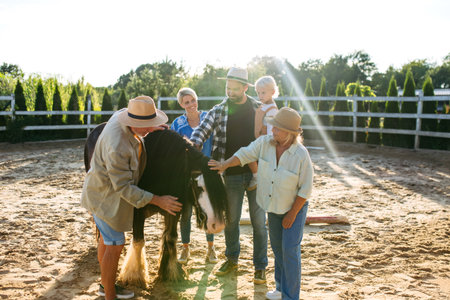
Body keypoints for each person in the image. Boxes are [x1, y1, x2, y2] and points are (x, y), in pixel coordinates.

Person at [81, 96, 182, 300]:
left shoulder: (121, 116)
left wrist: (148, 128)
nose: (147, 129)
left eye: (149, 124)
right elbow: (124, 188)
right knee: (115, 244)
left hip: (99, 191)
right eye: (144, 126)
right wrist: (158, 200)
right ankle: (109, 294)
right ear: (132, 122)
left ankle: (104, 285)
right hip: (103, 197)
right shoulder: (118, 146)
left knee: (107, 240)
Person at [209, 107, 313, 300]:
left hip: (294, 209)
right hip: (273, 208)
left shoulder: (301, 155)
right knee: (278, 249)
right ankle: (281, 289)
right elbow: (244, 153)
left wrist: (291, 215)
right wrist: (224, 165)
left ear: (290, 133)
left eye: (278, 129)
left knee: (290, 251)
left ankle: (291, 297)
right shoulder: (265, 143)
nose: (272, 131)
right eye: (273, 127)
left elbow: (305, 190)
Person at [190, 67, 268, 284]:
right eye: (227, 88)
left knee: (259, 222)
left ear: (245, 88)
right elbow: (202, 130)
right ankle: (232, 259)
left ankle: (260, 266)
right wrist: (194, 142)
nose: (230, 92)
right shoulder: (218, 110)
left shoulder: (257, 108)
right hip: (230, 172)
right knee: (231, 221)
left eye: (234, 89)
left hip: (257, 173)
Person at [170, 87, 217, 264]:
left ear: (197, 100)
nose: (191, 105)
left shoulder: (208, 118)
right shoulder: (178, 124)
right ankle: (185, 249)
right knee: (186, 213)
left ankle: (211, 248)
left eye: (193, 100)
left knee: (208, 211)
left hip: (206, 172)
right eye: (186, 102)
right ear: (181, 104)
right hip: (186, 174)